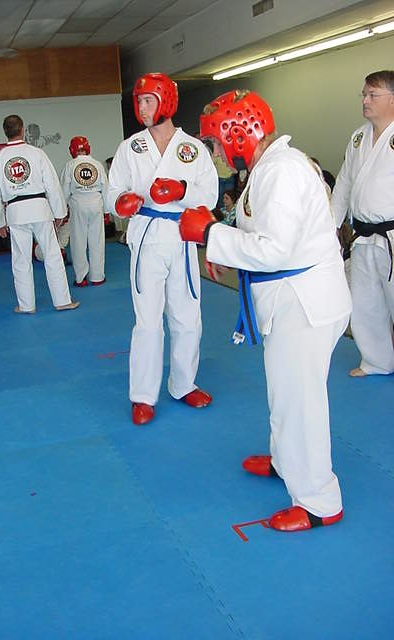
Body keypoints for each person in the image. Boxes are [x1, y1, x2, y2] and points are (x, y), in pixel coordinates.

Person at [178, 90, 352, 532]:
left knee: (301, 401)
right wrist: (222, 241)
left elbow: (275, 249)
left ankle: (319, 501)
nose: (216, 152)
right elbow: (261, 227)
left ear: (239, 134)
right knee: (283, 389)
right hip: (293, 300)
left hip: (305, 305)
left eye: (216, 142)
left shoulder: (282, 171)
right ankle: (285, 461)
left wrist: (211, 234)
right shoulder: (269, 168)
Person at [106, 72, 218, 425]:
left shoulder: (192, 148)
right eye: (138, 101)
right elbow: (113, 191)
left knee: (187, 316)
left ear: (166, 100)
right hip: (147, 237)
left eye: (148, 100)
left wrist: (182, 189)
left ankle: (184, 384)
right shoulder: (130, 148)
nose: (142, 107)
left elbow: (211, 195)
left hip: (182, 235)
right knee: (148, 321)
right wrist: (120, 202)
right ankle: (143, 395)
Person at [331, 70, 394, 378]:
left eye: (373, 95)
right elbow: (344, 183)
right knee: (365, 301)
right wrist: (331, 224)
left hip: (392, 233)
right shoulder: (358, 137)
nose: (365, 100)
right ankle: (377, 361)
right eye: (364, 94)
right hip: (363, 234)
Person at [0, 114, 79, 313]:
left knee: (21, 260)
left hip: (15, 212)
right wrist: (60, 212)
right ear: (22, 130)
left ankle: (26, 305)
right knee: (52, 255)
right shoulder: (37, 153)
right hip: (40, 209)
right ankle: (62, 301)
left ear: (5, 132)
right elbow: (52, 185)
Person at [60, 136, 108, 286]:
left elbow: (64, 190)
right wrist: (107, 211)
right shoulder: (97, 165)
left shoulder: (70, 165)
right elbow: (106, 188)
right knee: (97, 241)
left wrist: (62, 211)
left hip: (78, 204)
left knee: (78, 242)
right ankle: (97, 276)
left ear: (72, 150)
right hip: (96, 204)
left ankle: (81, 278)